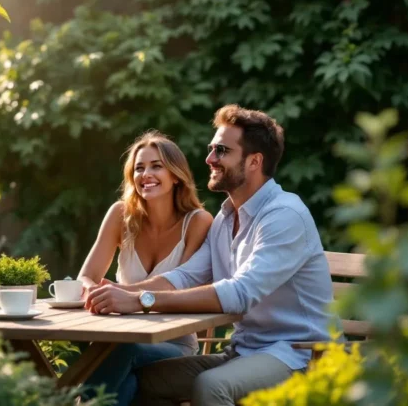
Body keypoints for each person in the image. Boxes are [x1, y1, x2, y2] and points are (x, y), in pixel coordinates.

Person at [85, 105, 337, 406]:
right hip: (243, 352)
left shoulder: (283, 215)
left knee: (210, 386)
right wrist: (119, 292)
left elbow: (241, 293)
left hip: (300, 354)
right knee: (144, 379)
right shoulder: (225, 219)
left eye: (221, 150)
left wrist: (142, 300)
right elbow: (186, 276)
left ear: (254, 161)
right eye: (211, 149)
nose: (209, 159)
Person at [76, 130, 214, 406]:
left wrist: (122, 294)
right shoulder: (120, 215)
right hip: (119, 338)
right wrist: (94, 292)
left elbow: (180, 285)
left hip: (174, 345)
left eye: (156, 166)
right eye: (139, 168)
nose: (145, 174)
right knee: (126, 379)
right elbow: (87, 276)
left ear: (176, 175)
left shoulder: (198, 222)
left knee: (116, 352)